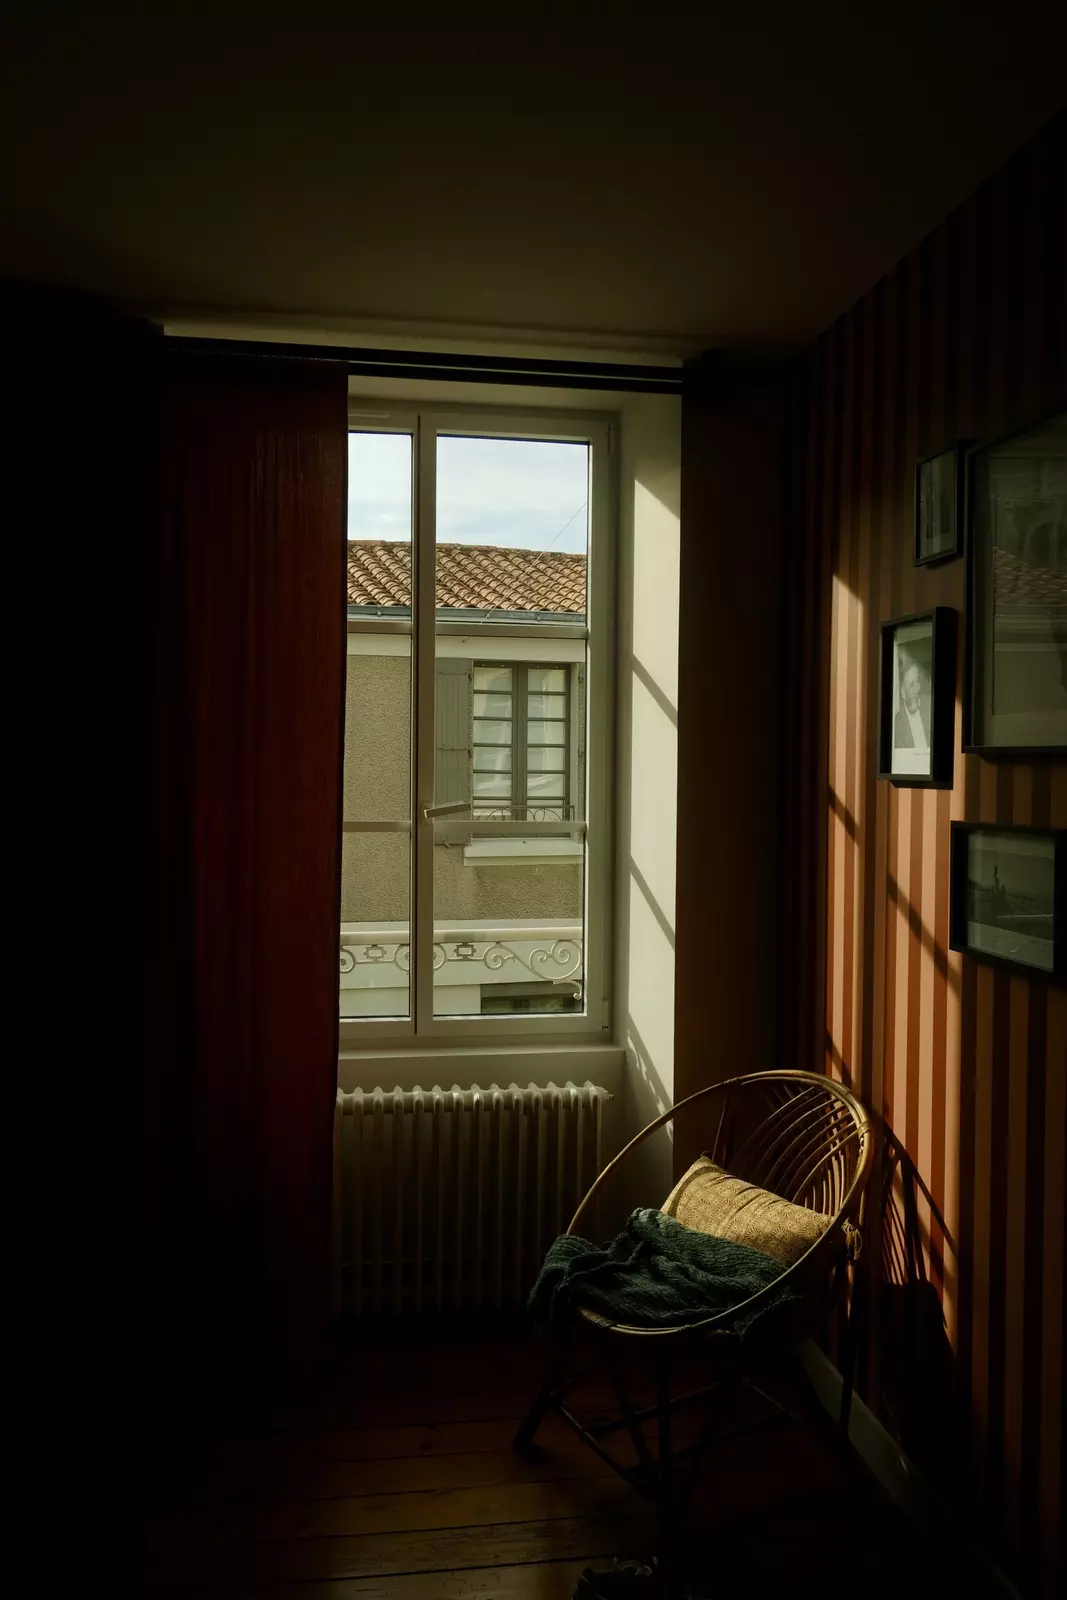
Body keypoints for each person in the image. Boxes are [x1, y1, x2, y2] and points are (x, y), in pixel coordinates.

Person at [894, 657, 930, 751]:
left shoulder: (930, 707)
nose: (917, 689)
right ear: (903, 693)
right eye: (911, 685)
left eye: (918, 682)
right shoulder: (897, 726)